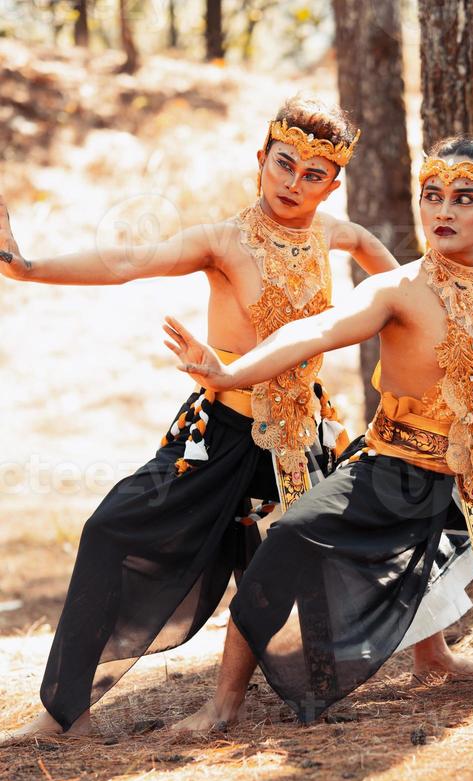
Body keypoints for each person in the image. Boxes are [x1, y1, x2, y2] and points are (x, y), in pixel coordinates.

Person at [162, 135, 473, 731]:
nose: (443, 211)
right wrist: (230, 371)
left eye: (464, 198)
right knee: (289, 538)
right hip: (400, 472)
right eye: (432, 196)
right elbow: (316, 332)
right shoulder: (396, 289)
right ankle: (223, 704)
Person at [0, 96, 409, 740]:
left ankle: (251, 702)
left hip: (302, 438)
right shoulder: (222, 240)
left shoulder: (337, 233)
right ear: (260, 160)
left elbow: (400, 290)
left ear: (333, 184)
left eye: (312, 175)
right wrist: (27, 269)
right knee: (111, 529)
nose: (292, 184)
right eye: (283, 164)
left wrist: (430, 324)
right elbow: (126, 264)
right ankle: (61, 712)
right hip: (219, 436)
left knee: (299, 565)